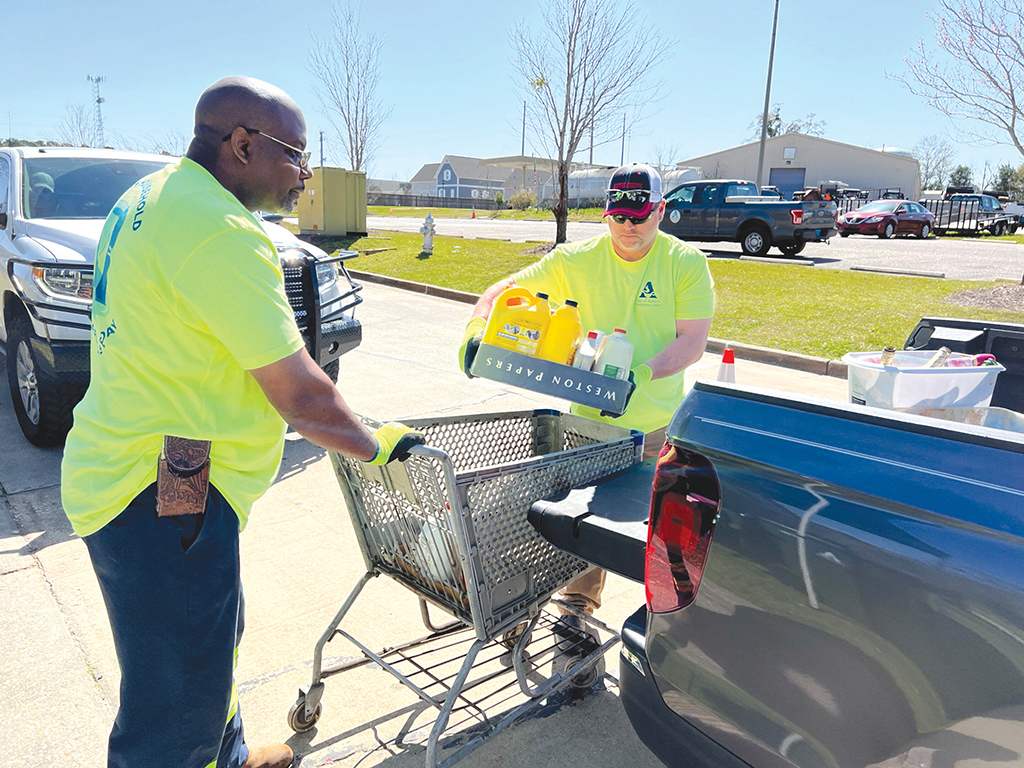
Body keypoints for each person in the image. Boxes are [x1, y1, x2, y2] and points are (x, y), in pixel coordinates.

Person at [61, 76, 422, 768]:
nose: (306, 175)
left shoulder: (149, 197)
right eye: (296, 155)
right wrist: (381, 449)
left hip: (139, 460)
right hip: (161, 487)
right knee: (173, 710)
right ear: (243, 144)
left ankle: (225, 754)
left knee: (205, 639)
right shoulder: (222, 231)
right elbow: (302, 396)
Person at [458, 162, 714, 679]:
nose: (629, 227)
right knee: (582, 522)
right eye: (619, 216)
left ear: (660, 211)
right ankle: (574, 617)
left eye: (640, 216)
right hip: (588, 423)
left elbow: (693, 339)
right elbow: (504, 288)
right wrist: (476, 328)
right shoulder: (576, 259)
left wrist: (638, 376)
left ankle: (672, 630)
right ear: (605, 215)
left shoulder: (684, 262)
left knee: (651, 534)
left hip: (657, 427)